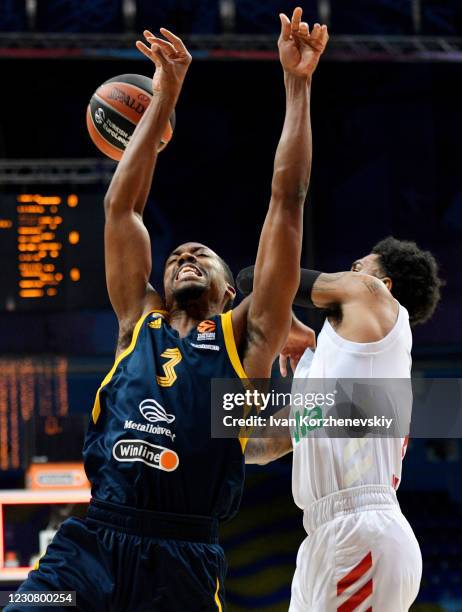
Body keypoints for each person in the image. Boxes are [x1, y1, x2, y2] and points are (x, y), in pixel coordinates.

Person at [6, 9, 328, 612]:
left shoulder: (246, 337)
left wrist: (298, 84)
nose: (183, 256)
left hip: (181, 561)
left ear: (232, 291)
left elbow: (287, 200)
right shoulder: (138, 321)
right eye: (176, 254)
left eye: (200, 256)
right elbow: (121, 209)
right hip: (91, 549)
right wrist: (162, 100)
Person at [241, 237, 442, 611]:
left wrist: (286, 319)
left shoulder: (373, 297)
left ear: (384, 287)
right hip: (324, 538)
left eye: (358, 267)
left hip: (361, 527)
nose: (349, 273)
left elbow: (257, 279)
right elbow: (263, 446)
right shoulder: (329, 370)